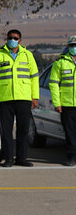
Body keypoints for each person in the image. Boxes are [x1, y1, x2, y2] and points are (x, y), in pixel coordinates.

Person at [0, 29, 39, 167]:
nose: (12, 40)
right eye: (10, 37)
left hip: (24, 98)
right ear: (6, 39)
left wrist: (35, 97)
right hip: (5, 99)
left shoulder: (27, 55)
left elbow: (34, 77)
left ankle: (21, 158)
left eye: (15, 38)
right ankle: (8, 158)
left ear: (20, 40)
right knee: (7, 130)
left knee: (23, 129)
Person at [48, 35, 76, 167]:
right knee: (70, 133)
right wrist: (57, 103)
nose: (74, 48)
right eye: (72, 46)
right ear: (68, 47)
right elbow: (53, 84)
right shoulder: (60, 63)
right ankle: (71, 157)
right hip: (66, 104)